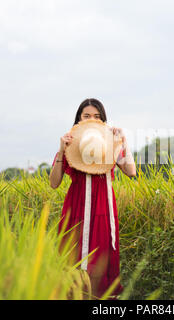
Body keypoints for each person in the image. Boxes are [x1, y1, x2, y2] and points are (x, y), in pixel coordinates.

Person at [49, 98, 136, 299]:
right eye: (86, 115)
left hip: (103, 208)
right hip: (76, 207)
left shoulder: (110, 144)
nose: (92, 119)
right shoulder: (70, 144)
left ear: (103, 120)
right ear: (79, 119)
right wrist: (62, 150)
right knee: (72, 254)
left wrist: (124, 141)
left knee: (101, 254)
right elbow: (54, 183)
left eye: (97, 116)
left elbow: (131, 171)